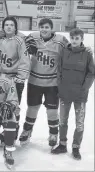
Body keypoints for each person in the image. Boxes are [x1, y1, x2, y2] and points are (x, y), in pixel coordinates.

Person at [19, 18, 69, 147]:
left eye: (47, 27)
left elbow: (71, 50)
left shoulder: (60, 40)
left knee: (52, 110)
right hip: (34, 81)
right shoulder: (33, 37)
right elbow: (20, 40)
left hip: (52, 83)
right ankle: (27, 130)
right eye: (42, 27)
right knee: (32, 108)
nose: (44, 30)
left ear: (51, 28)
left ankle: (53, 133)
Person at [51, 28, 95, 160]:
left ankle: (76, 147)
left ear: (82, 39)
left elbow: (91, 73)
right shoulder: (64, 51)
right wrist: (60, 85)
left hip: (80, 95)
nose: (74, 41)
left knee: (79, 123)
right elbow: (58, 70)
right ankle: (62, 144)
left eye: (77, 38)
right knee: (63, 120)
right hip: (65, 93)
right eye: (72, 38)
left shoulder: (87, 54)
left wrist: (85, 88)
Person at [0, 16, 31, 139]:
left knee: (13, 107)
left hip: (14, 79)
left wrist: (20, 77)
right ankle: (1, 130)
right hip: (1, 79)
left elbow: (25, 60)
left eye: (11, 25)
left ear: (15, 28)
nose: (9, 27)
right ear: (3, 27)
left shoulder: (19, 41)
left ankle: (13, 132)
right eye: (6, 25)